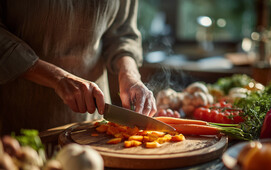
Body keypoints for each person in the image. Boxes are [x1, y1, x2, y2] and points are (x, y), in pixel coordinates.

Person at [0, 0, 157, 135]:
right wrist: (57, 77)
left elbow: (123, 33)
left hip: (91, 120)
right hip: (17, 119)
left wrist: (130, 75)